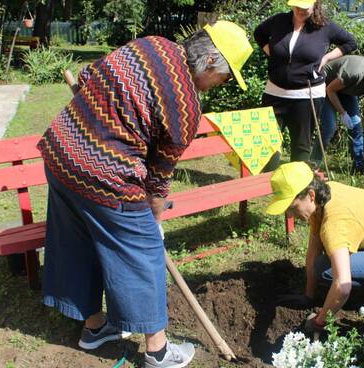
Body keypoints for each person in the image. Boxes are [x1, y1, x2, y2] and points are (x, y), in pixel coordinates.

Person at [36, 21, 252, 368]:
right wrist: (153, 225)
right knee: (144, 252)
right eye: (225, 77)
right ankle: (158, 351)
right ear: (211, 60)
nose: (221, 85)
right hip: (104, 175)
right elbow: (156, 181)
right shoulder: (185, 107)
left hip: (61, 153)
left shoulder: (149, 45)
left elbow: (88, 74)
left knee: (77, 241)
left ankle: (94, 328)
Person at [266, 162, 364, 333]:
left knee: (326, 270)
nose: (289, 214)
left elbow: (343, 285)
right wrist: (308, 297)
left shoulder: (335, 224)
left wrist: (319, 322)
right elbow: (313, 252)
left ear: (310, 195)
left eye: (292, 207)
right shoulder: (324, 194)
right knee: (322, 264)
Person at [254, 0, 356, 169]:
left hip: (306, 95)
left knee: (301, 145)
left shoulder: (326, 27)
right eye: (296, 6)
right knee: (268, 143)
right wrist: (270, 52)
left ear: (315, 4)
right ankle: (266, 185)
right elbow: (259, 33)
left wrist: (326, 58)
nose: (300, 10)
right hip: (274, 92)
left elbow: (350, 43)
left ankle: (298, 189)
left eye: (304, 7)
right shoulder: (278, 21)